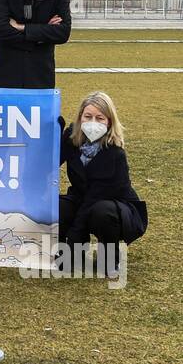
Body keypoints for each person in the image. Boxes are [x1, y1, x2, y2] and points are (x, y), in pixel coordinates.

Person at [58, 91, 147, 276]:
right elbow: (51, 163)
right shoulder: (72, 138)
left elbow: (94, 198)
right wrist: (55, 137)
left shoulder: (115, 154)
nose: (93, 123)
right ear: (80, 117)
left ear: (109, 122)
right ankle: (75, 253)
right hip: (82, 198)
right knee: (58, 207)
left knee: (102, 212)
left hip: (114, 206)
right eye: (88, 116)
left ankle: (110, 257)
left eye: (100, 118)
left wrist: (74, 235)